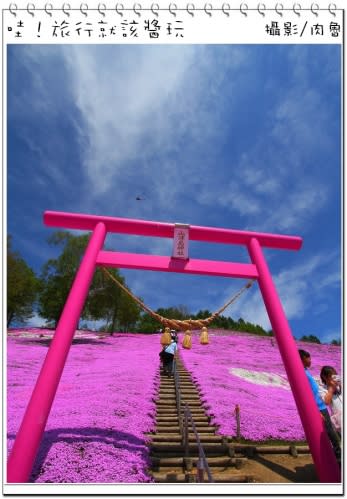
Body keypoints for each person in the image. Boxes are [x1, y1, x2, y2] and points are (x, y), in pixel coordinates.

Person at [298, 349, 341, 461]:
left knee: (332, 434)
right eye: (308, 358)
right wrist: (316, 410)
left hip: (322, 407)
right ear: (302, 359)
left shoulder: (306, 371)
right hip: (320, 408)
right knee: (332, 436)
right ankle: (338, 458)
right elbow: (307, 393)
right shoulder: (301, 372)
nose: (310, 360)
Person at [319, 366, 342, 436]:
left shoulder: (340, 384)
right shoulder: (322, 389)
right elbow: (327, 402)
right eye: (332, 376)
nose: (334, 378)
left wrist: (340, 384)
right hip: (340, 419)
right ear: (325, 377)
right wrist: (331, 388)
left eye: (335, 375)